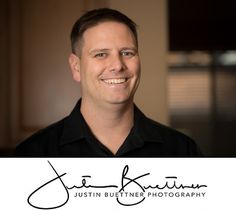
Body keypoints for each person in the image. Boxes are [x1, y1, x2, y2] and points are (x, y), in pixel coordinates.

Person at [15, 8, 202, 156]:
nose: (117, 65)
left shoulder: (182, 151)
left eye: (127, 53)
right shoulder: (32, 155)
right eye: (101, 54)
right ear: (76, 67)